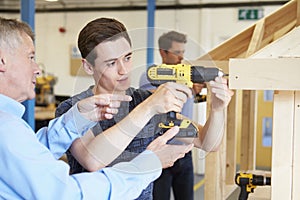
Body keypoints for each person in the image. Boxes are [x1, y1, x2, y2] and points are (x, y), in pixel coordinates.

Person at [0, 17, 195, 200]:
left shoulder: (10, 126)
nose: (37, 69)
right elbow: (68, 194)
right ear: (2, 61)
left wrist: (74, 121)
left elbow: (33, 154)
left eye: (127, 58)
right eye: (30, 57)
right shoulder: (7, 129)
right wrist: (146, 165)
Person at [56, 17, 234, 200]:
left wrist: (218, 109)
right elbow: (93, 160)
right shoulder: (72, 109)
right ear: (88, 66)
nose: (123, 70)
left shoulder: (144, 99)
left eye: (128, 57)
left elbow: (207, 142)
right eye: (111, 63)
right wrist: (149, 107)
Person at [139, 31, 204, 200]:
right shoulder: (151, 75)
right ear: (163, 52)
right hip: (160, 149)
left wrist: (195, 91)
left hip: (185, 151)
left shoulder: (187, 74)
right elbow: (157, 102)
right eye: (177, 52)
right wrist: (188, 88)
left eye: (183, 52)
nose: (181, 57)